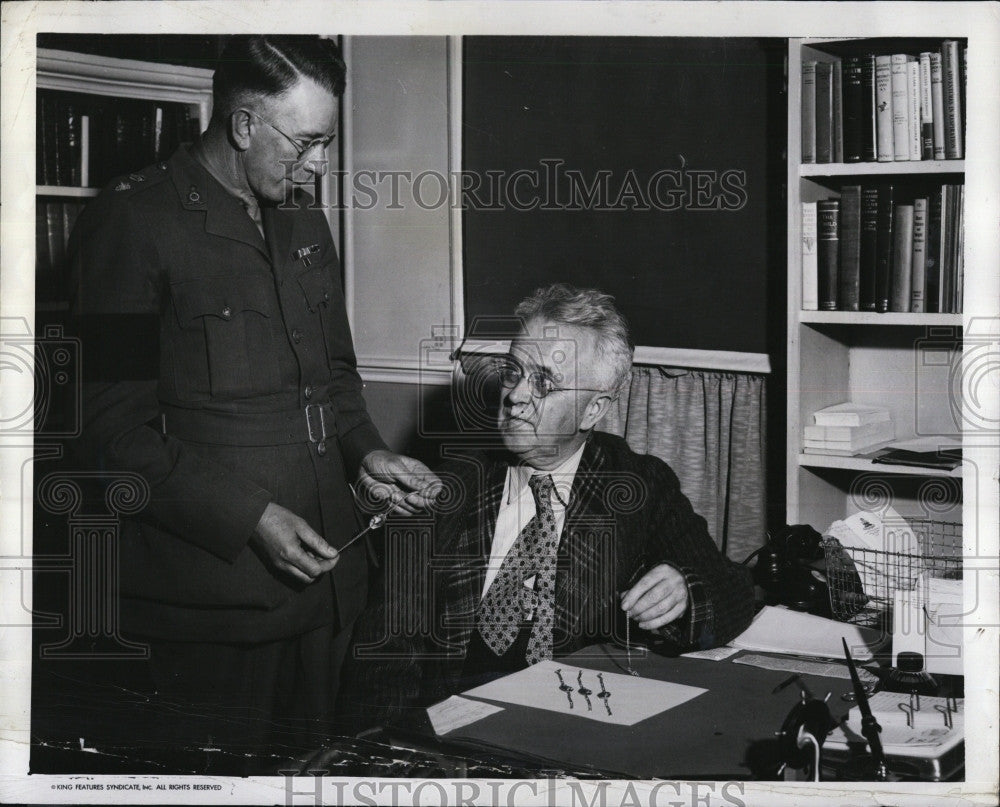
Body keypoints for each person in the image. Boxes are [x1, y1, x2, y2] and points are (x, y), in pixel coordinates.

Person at [70, 35, 439, 764]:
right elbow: (107, 431)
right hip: (217, 599)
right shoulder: (133, 222)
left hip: (330, 588)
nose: (320, 165)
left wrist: (367, 455)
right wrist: (251, 519)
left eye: (326, 143)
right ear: (242, 125)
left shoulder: (303, 220)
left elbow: (333, 374)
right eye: (307, 143)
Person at [340, 283, 754, 728]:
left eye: (544, 383)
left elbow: (733, 590)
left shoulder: (638, 485)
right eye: (513, 372)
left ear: (593, 410)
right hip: (452, 739)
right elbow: (385, 655)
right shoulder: (449, 487)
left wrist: (685, 592)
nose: (516, 396)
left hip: (577, 733)